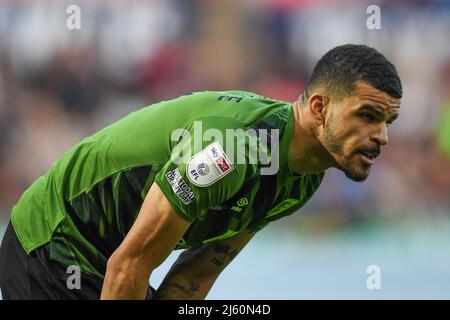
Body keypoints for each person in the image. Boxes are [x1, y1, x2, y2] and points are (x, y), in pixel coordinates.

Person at [0, 44, 402, 300]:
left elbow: (193, 277)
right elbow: (130, 264)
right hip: (54, 245)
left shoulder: (303, 177)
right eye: (367, 116)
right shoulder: (233, 148)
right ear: (319, 108)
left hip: (103, 261)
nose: (381, 136)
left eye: (388, 121)